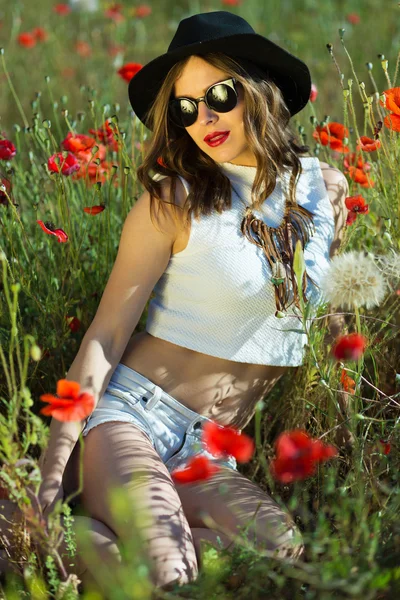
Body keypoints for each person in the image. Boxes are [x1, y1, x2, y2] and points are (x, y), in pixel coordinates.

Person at [34, 10, 348, 593]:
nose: (202, 118)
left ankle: (95, 538)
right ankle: (35, 532)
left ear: (259, 90)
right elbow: (104, 337)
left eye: (218, 96)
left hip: (213, 450)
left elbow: (322, 309)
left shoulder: (324, 188)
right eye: (185, 108)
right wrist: (51, 472)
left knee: (280, 558)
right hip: (134, 418)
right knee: (168, 575)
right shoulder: (173, 200)